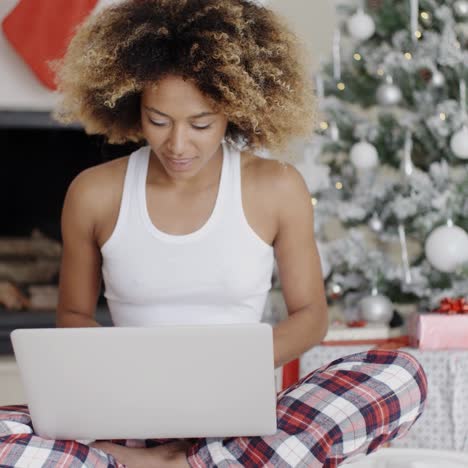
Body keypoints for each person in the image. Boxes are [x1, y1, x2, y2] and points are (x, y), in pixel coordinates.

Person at [0, 1, 427, 467]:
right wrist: (129, 378)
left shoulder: (276, 186)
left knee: (402, 376)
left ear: (233, 110)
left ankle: (178, 463)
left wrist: (228, 372)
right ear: (131, 106)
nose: (177, 145)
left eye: (200, 124)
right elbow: (73, 314)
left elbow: (311, 317)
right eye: (157, 121)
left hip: (237, 420)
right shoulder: (93, 193)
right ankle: (158, 460)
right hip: (129, 414)